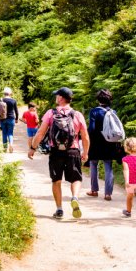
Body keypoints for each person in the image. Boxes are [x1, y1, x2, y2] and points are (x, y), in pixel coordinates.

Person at [29, 87, 90, 219]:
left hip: (56, 151)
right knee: (76, 178)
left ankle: (59, 209)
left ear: (61, 98)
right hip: (73, 151)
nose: (56, 97)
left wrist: (33, 148)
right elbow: (85, 136)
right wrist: (85, 152)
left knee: (56, 180)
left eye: (57, 95)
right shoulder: (78, 115)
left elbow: (41, 132)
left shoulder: (51, 113)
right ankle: (74, 197)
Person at [85, 89, 124, 201]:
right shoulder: (113, 112)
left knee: (93, 164)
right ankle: (108, 194)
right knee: (108, 166)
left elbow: (91, 129)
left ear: (98, 99)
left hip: (96, 143)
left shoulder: (94, 111)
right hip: (110, 142)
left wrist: (87, 139)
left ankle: (94, 190)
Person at [0, 88, 20, 153]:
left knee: (4, 133)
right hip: (11, 119)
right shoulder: (13, 101)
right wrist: (16, 119)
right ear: (10, 93)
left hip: (3, 119)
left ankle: (5, 148)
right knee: (10, 133)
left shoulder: (1, 100)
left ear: (4, 93)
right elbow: (16, 111)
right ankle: (11, 144)